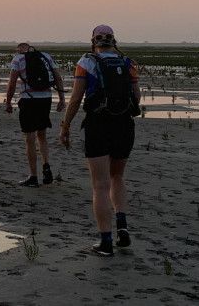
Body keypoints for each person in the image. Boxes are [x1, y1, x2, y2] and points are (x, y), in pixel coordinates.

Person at [58, 24, 140, 257]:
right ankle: (122, 226)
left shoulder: (86, 63)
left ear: (94, 41)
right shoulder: (128, 63)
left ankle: (106, 241)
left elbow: (75, 99)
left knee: (100, 186)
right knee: (117, 177)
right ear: (114, 40)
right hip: (124, 125)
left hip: (98, 125)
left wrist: (65, 127)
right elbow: (136, 96)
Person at [5, 42, 67, 187]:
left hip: (28, 100)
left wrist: (8, 102)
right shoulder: (45, 56)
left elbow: (12, 82)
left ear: (20, 49)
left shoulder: (18, 59)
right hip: (46, 99)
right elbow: (58, 77)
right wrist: (62, 98)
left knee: (29, 138)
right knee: (42, 135)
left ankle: (33, 176)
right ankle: (46, 165)